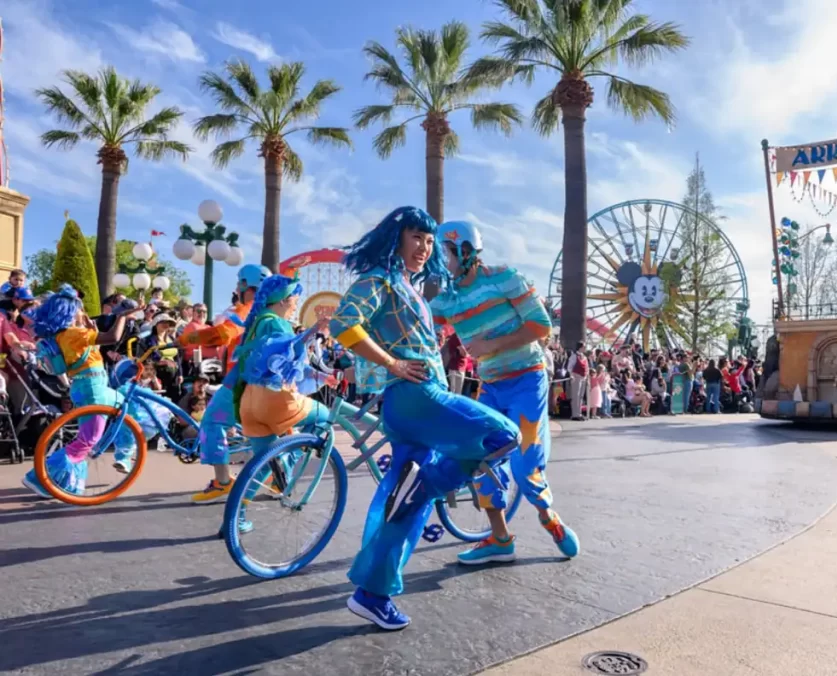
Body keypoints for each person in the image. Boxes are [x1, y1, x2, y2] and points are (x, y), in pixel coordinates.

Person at [328, 206, 521, 631]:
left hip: (409, 405)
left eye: (430, 241)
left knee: (404, 507)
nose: (424, 247)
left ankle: (372, 595)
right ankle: (428, 485)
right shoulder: (379, 279)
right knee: (504, 435)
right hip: (415, 396)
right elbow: (344, 323)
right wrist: (392, 363)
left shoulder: (406, 285)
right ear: (396, 238)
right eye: (416, 237)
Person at [431, 220, 580, 566]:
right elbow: (425, 331)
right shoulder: (446, 301)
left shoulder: (505, 277)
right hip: (492, 388)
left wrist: (490, 344)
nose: (442, 261)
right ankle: (499, 539)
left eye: (446, 253)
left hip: (527, 381)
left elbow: (541, 326)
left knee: (525, 463)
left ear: (465, 250)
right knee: (480, 458)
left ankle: (548, 517)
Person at [230, 274, 335, 532]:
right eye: (295, 300)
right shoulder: (276, 323)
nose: (295, 305)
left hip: (250, 404)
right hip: (275, 401)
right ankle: (292, 454)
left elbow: (277, 365)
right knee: (325, 415)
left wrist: (321, 375)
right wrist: (312, 331)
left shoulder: (255, 324)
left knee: (262, 463)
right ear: (283, 300)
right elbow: (283, 351)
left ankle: (237, 517)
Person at [21, 285, 136, 496]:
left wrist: (92, 331)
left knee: (123, 407)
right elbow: (113, 338)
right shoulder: (75, 333)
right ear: (68, 312)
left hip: (83, 387)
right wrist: (121, 315)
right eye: (77, 308)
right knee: (88, 440)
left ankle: (119, 456)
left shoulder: (62, 335)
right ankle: (38, 477)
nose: (81, 311)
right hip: (94, 389)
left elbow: (90, 351)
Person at [178, 264, 271, 503]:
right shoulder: (265, 308)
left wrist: (188, 337)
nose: (237, 288)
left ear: (245, 285)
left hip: (240, 380)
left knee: (212, 422)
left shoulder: (248, 309)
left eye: (239, 283)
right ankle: (280, 479)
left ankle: (223, 481)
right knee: (265, 432)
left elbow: (222, 334)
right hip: (256, 380)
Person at [566, 341, 589, 421]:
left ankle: (579, 413)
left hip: (583, 377)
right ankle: (574, 414)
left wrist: (587, 376)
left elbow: (587, 368)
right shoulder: (574, 356)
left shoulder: (585, 357)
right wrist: (571, 375)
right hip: (576, 377)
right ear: (580, 347)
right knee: (576, 396)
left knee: (581, 396)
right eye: (584, 347)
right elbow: (569, 367)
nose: (585, 348)